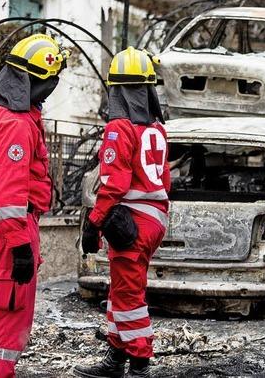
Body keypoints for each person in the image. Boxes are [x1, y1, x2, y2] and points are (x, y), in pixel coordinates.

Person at [0, 34, 69, 377]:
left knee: (1, 312)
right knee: (11, 315)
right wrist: (20, 245)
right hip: (8, 225)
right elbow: (11, 191)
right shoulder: (15, 122)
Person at [74, 47, 170, 378]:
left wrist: (94, 222)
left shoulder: (119, 128)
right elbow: (165, 180)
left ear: (116, 89)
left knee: (128, 297)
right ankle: (116, 357)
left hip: (132, 222)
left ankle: (139, 364)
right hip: (154, 218)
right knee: (120, 291)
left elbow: (114, 184)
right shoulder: (157, 129)